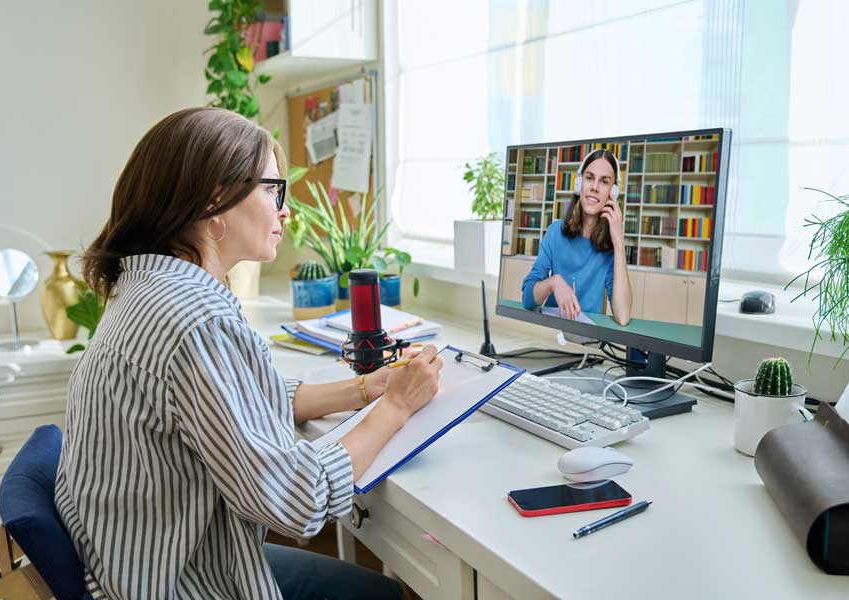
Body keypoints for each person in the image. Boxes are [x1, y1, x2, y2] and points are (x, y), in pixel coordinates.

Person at [55, 107, 443, 600]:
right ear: (216, 196)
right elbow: (296, 502)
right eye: (273, 190)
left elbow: (232, 403)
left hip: (135, 563)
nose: (286, 210)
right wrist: (397, 407)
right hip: (180, 583)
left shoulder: (147, 288)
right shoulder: (195, 319)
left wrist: (363, 388)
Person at [521, 148, 632, 326]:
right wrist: (554, 283)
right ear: (579, 184)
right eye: (589, 178)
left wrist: (618, 243)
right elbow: (527, 298)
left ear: (613, 192)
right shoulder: (555, 232)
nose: (594, 187)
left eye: (604, 182)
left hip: (588, 343)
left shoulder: (611, 248)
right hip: (553, 334)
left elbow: (623, 316)